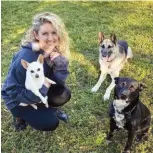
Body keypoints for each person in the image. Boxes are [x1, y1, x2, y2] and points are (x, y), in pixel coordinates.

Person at [1, 12, 71, 131]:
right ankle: (19, 116)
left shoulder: (52, 51)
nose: (50, 38)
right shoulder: (27, 58)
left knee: (63, 94)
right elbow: (12, 91)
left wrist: (61, 67)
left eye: (54, 32)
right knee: (50, 122)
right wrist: (43, 89)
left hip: (37, 88)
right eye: (45, 33)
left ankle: (46, 108)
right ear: (36, 35)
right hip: (17, 98)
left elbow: (57, 83)